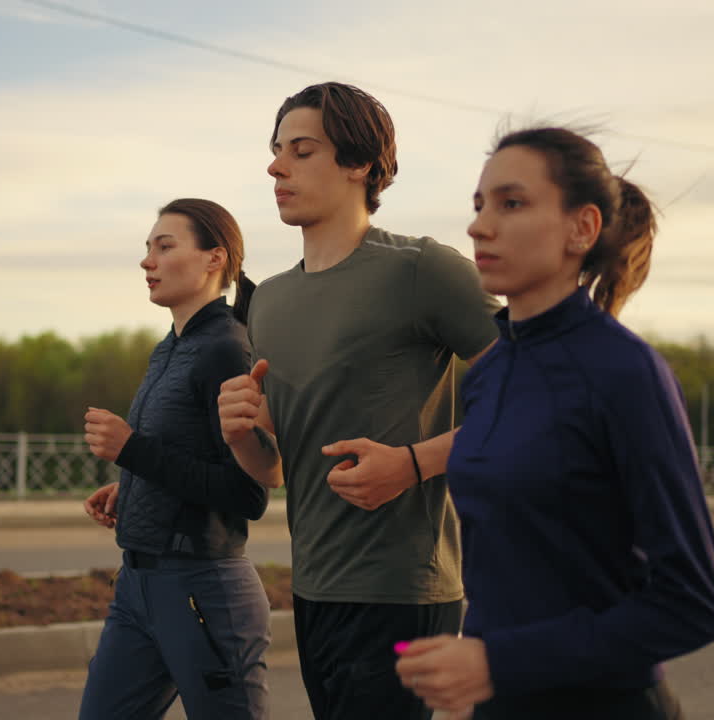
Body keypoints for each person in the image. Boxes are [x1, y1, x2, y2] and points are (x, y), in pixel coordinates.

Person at [395, 127, 714, 719]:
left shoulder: (626, 371)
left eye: (511, 203)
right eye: (478, 205)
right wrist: (473, 661)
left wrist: (500, 661)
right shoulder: (489, 377)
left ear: (583, 228)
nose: (479, 225)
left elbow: (692, 603)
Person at [217, 82, 500, 719]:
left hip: (404, 591)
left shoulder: (422, 270)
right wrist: (242, 435)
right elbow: (280, 469)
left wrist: (413, 463)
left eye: (301, 150)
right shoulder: (268, 302)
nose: (275, 166)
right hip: (314, 588)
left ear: (359, 164)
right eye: (275, 150)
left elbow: (533, 397)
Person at [78, 198, 271, 720]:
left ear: (214, 259)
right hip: (137, 586)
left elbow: (247, 493)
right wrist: (133, 485)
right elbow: (184, 453)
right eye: (148, 249)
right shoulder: (168, 349)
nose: (148, 261)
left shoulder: (227, 349)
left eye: (165, 247)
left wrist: (131, 450)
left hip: (203, 590)